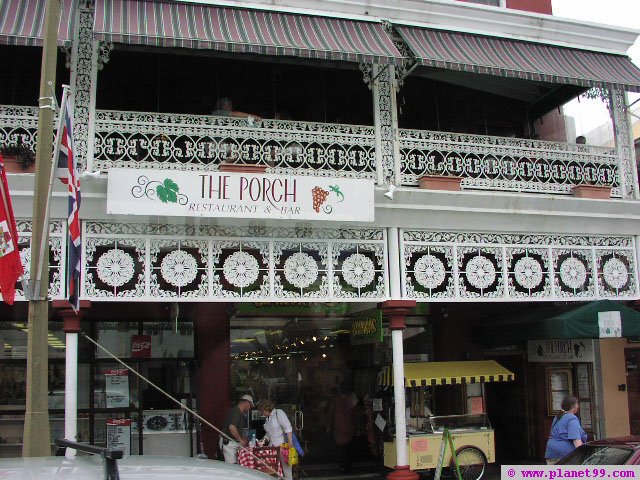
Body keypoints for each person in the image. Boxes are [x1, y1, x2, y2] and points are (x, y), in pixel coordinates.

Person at [545, 395, 587, 464]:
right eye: (577, 404)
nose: (578, 406)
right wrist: (583, 456)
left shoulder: (558, 417)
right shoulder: (572, 419)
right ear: (574, 407)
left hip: (551, 453)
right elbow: (576, 442)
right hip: (565, 456)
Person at [260, 400, 294, 480]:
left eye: (261, 410)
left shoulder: (278, 413)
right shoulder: (267, 419)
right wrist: (264, 439)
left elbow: (288, 427)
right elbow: (269, 433)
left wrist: (290, 442)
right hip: (272, 448)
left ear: (266, 408)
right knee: (274, 470)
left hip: (282, 445)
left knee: (287, 470)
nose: (261, 413)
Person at [328, 384, 357, 473]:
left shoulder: (335, 401)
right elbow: (354, 413)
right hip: (349, 426)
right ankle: (347, 464)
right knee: (348, 446)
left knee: (340, 447)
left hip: (339, 426)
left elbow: (331, 414)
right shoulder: (350, 400)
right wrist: (357, 426)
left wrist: (329, 426)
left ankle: (342, 465)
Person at [220, 394, 254, 464]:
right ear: (247, 402)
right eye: (250, 405)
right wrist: (240, 440)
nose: (249, 408)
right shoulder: (236, 411)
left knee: (237, 464)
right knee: (232, 467)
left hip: (233, 443)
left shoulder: (240, 413)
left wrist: (244, 438)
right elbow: (232, 427)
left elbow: (239, 429)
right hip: (229, 444)